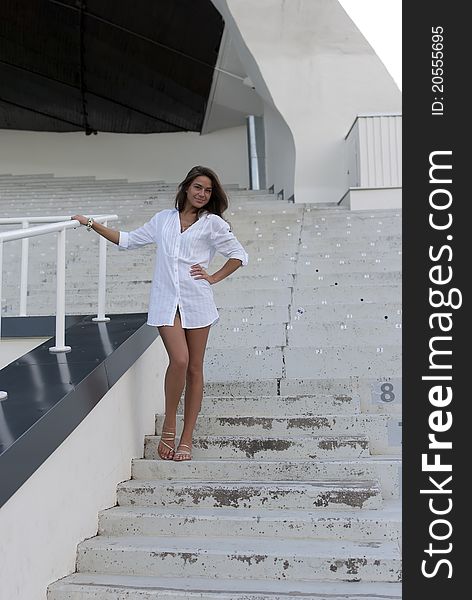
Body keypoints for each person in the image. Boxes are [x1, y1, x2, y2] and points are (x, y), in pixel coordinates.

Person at [71, 166, 248, 462]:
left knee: (195, 369)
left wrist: (214, 277)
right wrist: (90, 222)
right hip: (166, 303)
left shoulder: (213, 224)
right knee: (179, 360)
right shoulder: (163, 220)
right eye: (198, 188)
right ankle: (169, 424)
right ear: (186, 188)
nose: (203, 194)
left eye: (208, 190)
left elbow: (240, 255)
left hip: (197, 302)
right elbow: (127, 240)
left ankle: (187, 437)